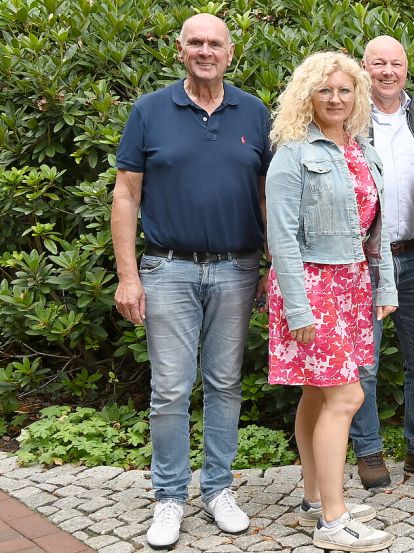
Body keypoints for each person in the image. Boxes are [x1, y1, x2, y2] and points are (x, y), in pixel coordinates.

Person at [111, 14, 269, 548]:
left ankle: (219, 488)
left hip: (238, 267)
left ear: (230, 53)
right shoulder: (150, 110)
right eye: (196, 42)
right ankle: (170, 497)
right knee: (170, 389)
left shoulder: (254, 111)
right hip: (168, 268)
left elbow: (270, 197)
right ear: (181, 50)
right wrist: (128, 276)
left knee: (225, 384)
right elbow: (126, 195)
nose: (206, 50)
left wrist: (275, 268)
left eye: (215, 43)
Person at [265, 51, 397, 552]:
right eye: (325, 91)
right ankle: (333, 521)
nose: (336, 99)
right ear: (308, 96)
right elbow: (282, 240)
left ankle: (313, 501)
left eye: (345, 90)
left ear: (357, 95)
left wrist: (384, 288)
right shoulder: (293, 153)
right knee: (346, 397)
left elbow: (376, 228)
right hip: (312, 288)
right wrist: (298, 310)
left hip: (351, 285)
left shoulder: (361, 149)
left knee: (318, 394)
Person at [348, 35, 414, 490]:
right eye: (378, 64)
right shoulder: (348, 114)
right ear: (363, 67)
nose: (387, 72)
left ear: (406, 68)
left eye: (396, 64)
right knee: (364, 361)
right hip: (363, 261)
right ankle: (369, 451)